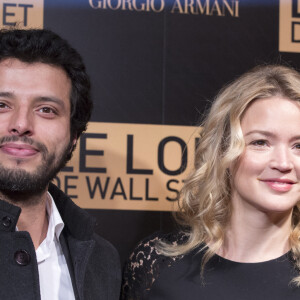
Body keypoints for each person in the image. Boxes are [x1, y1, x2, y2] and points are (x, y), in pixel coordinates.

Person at [121, 64, 300, 300]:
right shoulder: (156, 262)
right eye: (260, 142)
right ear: (223, 150)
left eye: (298, 146)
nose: (284, 163)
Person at [0, 29, 121, 300]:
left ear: (74, 137)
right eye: (2, 104)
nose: (21, 125)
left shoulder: (102, 261)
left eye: (46, 110)